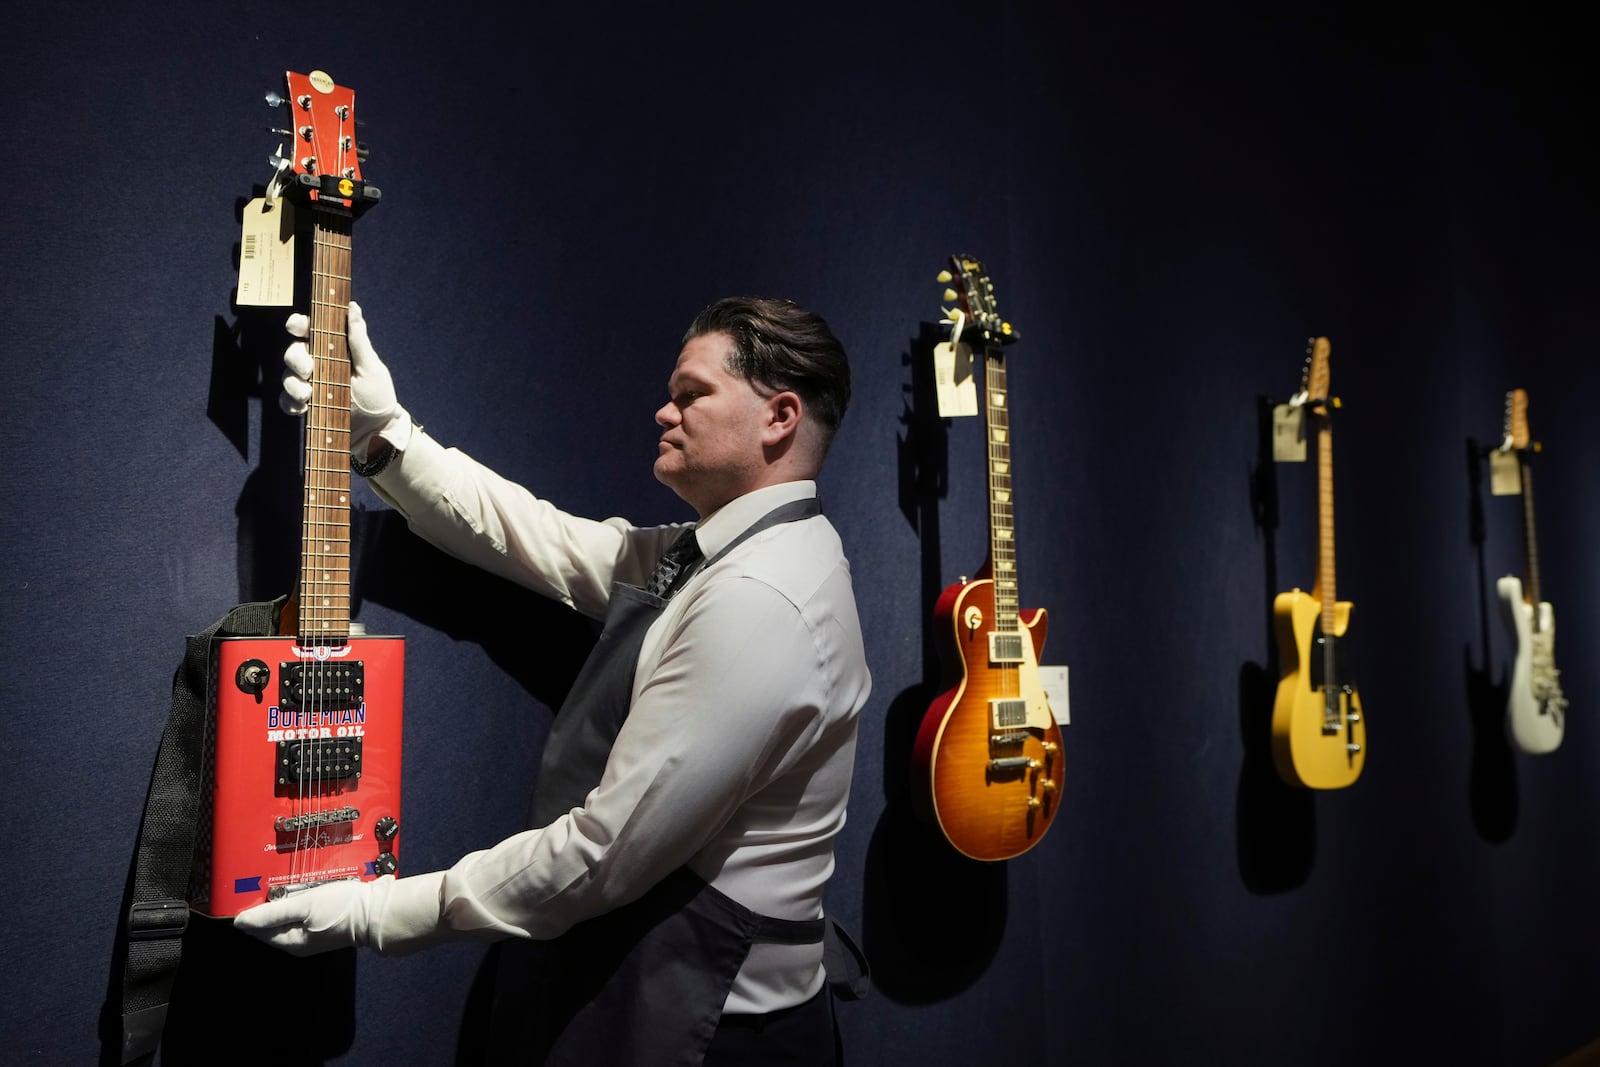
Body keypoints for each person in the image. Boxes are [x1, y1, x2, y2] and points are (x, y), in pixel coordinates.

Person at [234, 295, 872, 1066]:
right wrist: (384, 434)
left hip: (709, 1032)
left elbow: (603, 853)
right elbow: (544, 540)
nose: (664, 413)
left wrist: (376, 910)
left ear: (779, 416)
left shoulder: (759, 599)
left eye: (692, 393)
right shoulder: (735, 553)